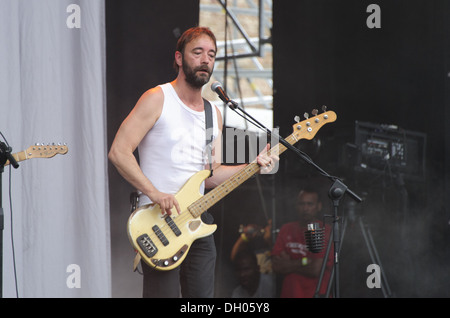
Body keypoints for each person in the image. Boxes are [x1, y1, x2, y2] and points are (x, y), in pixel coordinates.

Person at [108, 26, 278, 298]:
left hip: (197, 224)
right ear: (179, 58)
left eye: (211, 54)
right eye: (197, 52)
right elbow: (118, 152)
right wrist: (154, 193)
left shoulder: (214, 113)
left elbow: (211, 175)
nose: (205, 60)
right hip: (158, 223)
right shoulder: (157, 98)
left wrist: (253, 165)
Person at [271, 187, 332, 298]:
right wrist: (305, 261)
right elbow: (276, 266)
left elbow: (315, 269)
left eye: (310, 204)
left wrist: (289, 264)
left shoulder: (324, 230)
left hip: (316, 294)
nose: (305, 208)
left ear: (319, 206)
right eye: (301, 204)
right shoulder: (286, 229)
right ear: (296, 206)